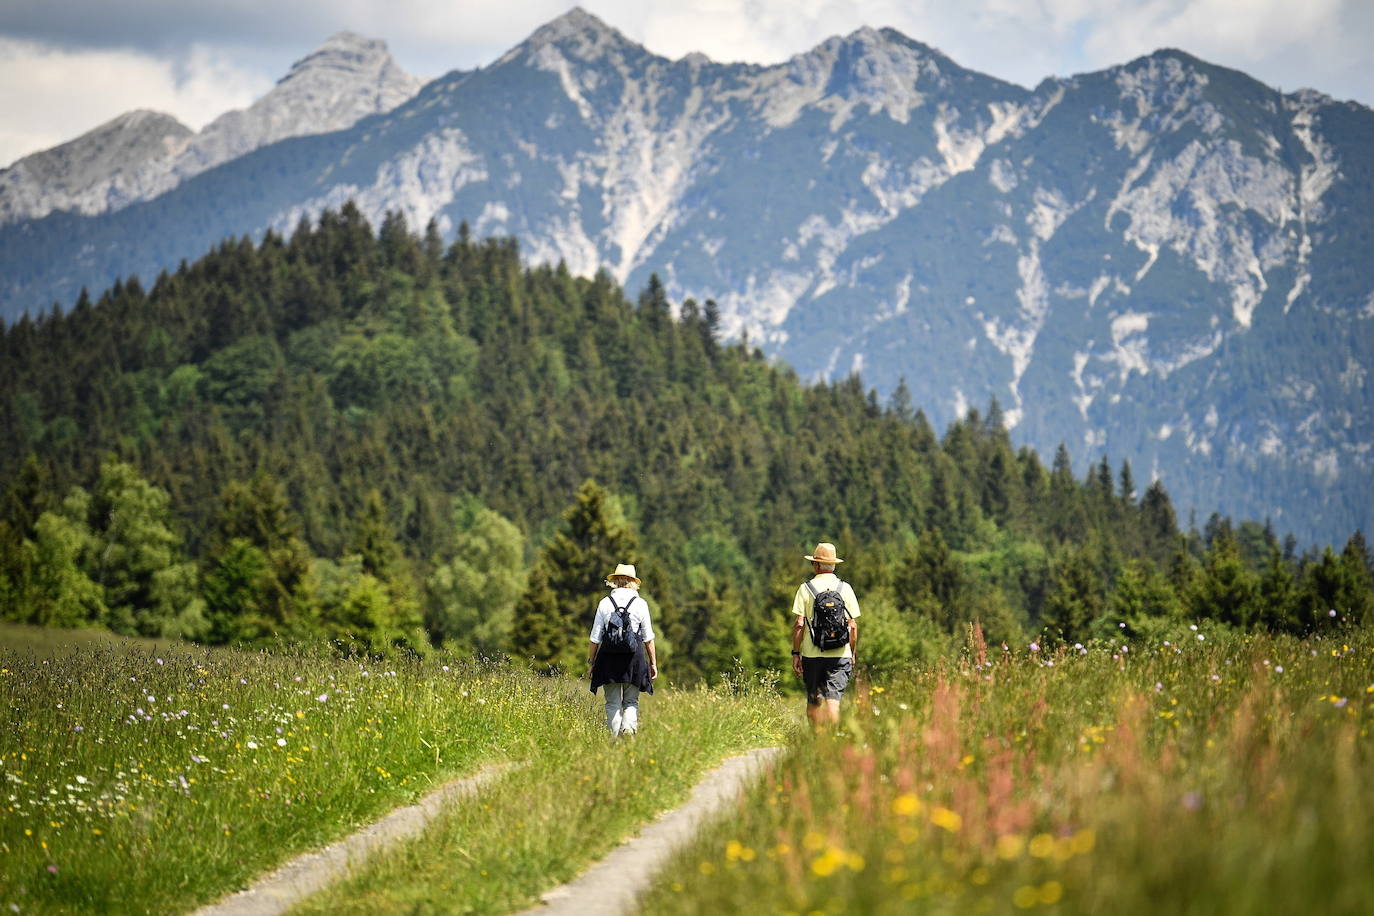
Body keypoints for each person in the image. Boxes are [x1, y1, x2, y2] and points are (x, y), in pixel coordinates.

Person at [790, 542, 860, 727]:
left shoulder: (805, 589)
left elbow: (799, 624)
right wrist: (851, 652)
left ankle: (816, 740)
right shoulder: (845, 588)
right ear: (833, 565)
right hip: (840, 654)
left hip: (812, 655)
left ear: (816, 565)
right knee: (833, 700)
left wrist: (796, 654)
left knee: (814, 699)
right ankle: (834, 742)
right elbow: (852, 626)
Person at [588, 563, 658, 736]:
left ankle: (613, 741)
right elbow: (648, 638)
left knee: (612, 703)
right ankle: (628, 733)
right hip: (633, 659)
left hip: (608, 658)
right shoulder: (640, 604)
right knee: (631, 702)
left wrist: (591, 663)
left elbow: (595, 638)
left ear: (615, 581)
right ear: (633, 582)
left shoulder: (605, 603)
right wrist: (653, 663)